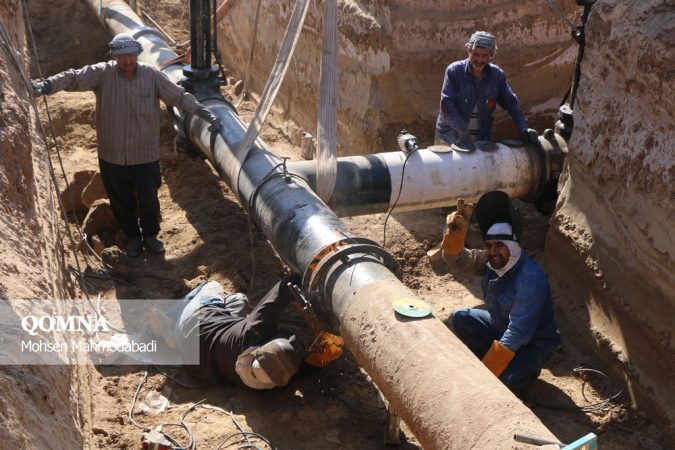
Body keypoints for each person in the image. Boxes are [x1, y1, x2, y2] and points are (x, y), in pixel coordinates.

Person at [30, 33, 221, 257]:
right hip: (112, 156)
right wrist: (47, 85)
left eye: (131, 57)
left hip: (145, 155)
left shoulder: (152, 76)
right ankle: (132, 237)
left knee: (149, 199)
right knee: (121, 201)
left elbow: (178, 97)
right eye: (122, 58)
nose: (127, 62)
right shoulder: (103, 73)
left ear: (137, 56)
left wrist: (205, 113)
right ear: (115, 57)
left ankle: (150, 235)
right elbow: (74, 77)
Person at [438, 192, 560, 390]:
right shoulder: (492, 260)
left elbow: (518, 333)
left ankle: (525, 369)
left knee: (500, 384)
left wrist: (486, 374)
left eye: (499, 246)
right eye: (489, 246)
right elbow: (460, 261)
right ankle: (500, 362)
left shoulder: (530, 278)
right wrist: (453, 239)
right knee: (461, 319)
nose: (493, 251)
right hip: (500, 326)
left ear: (512, 246)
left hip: (532, 344)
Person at [147, 274, 343, 389]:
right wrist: (322, 359)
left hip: (193, 326)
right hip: (197, 364)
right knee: (239, 300)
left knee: (211, 285)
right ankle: (175, 332)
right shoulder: (266, 381)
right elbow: (302, 368)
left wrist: (310, 300)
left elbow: (287, 285)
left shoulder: (253, 333)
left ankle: (170, 322)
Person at [434, 31, 539, 149]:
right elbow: (447, 106)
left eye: (484, 56)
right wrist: (463, 131)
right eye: (476, 54)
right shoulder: (454, 72)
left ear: (491, 55)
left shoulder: (497, 76)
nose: (479, 60)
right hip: (450, 138)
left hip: (481, 140)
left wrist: (523, 127)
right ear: (469, 51)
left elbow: (511, 103)